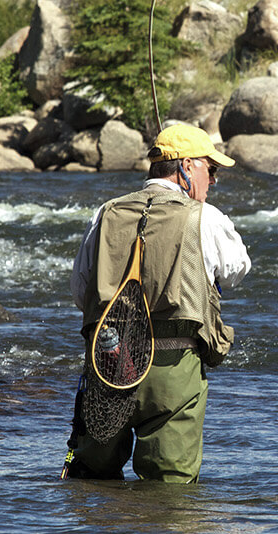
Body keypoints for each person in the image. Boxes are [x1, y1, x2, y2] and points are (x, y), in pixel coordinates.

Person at [65, 124, 250, 483]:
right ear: (186, 167)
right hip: (173, 371)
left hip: (109, 365)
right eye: (210, 171)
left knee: (91, 480)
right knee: (171, 490)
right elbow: (236, 269)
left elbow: (80, 291)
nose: (213, 182)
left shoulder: (106, 213)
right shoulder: (205, 218)